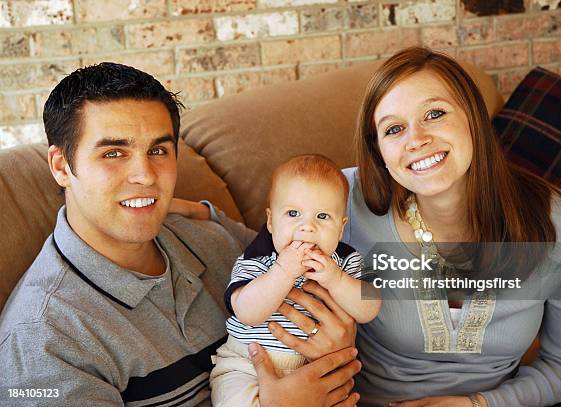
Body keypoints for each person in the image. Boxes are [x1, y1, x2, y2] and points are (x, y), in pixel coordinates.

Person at [0, 62, 361, 406]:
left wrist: (340, 342)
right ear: (62, 166)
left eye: (158, 150)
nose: (145, 175)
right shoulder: (43, 341)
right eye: (113, 153)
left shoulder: (212, 240)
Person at [343, 47, 561, 407]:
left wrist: (477, 405)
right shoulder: (342, 204)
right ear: (379, 152)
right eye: (394, 129)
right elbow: (263, 274)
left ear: (473, 119)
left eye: (434, 114)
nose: (415, 140)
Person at [209, 154, 381, 406]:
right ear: (270, 221)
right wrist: (283, 272)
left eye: (322, 217)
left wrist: (335, 279)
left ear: (341, 228)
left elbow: (369, 308)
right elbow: (245, 311)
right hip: (247, 364)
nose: (307, 227)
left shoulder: (345, 262)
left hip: (320, 370)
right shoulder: (258, 259)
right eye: (293, 213)